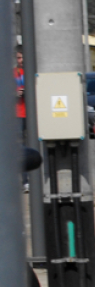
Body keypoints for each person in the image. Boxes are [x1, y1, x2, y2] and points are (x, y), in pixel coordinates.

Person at [15, 48, 26, 191]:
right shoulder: (12, 73)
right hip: (17, 114)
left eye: (22, 57)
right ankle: (25, 180)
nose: (21, 61)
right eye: (18, 58)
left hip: (31, 114)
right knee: (21, 148)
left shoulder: (31, 72)